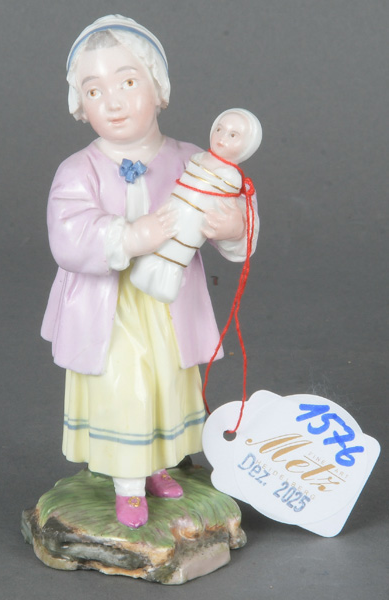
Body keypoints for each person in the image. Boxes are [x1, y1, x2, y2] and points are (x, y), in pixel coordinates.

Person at [41, 14, 260, 528]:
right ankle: (127, 484)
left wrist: (233, 226)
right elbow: (67, 235)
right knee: (125, 388)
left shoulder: (192, 160)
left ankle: (157, 464)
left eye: (127, 82)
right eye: (94, 91)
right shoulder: (77, 170)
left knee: (166, 386)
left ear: (158, 89)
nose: (112, 102)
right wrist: (130, 236)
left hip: (169, 307)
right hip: (110, 309)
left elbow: (237, 217)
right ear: (80, 105)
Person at [130, 108, 262, 303]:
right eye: (219, 129)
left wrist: (236, 230)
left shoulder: (223, 173)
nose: (221, 137)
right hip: (172, 213)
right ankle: (144, 272)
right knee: (156, 253)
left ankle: (166, 282)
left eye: (233, 135)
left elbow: (240, 215)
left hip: (190, 224)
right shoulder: (198, 159)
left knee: (177, 252)